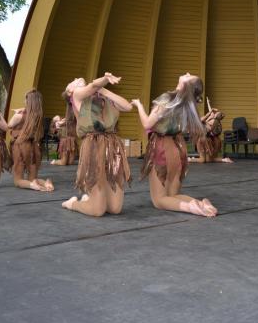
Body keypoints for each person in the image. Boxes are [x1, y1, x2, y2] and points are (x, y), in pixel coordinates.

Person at [132, 73, 217, 217]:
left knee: (159, 200)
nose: (187, 73)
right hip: (178, 148)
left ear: (185, 85)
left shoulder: (167, 99)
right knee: (173, 194)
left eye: (189, 76)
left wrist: (139, 105)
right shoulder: (188, 105)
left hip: (162, 148)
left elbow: (147, 124)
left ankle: (191, 207)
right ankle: (200, 203)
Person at [61, 73, 132, 217]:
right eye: (72, 81)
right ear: (69, 92)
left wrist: (103, 90)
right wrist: (104, 80)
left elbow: (127, 106)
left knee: (115, 209)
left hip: (112, 146)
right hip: (93, 144)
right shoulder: (76, 95)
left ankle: (90, 198)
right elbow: (92, 86)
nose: (76, 78)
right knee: (97, 211)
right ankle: (72, 204)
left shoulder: (103, 98)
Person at [8, 89, 54, 192]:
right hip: (33, 147)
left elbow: (9, 125)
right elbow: (30, 114)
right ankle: (46, 183)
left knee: (18, 180)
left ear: (28, 101)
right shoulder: (38, 117)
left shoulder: (18, 116)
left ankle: (33, 186)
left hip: (20, 147)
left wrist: (18, 113)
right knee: (33, 178)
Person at [51, 94, 77, 166]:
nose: (57, 118)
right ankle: (55, 161)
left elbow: (70, 118)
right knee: (63, 162)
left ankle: (62, 159)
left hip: (72, 139)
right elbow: (55, 130)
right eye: (56, 119)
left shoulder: (69, 119)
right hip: (65, 140)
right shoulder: (58, 123)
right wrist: (57, 123)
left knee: (71, 162)